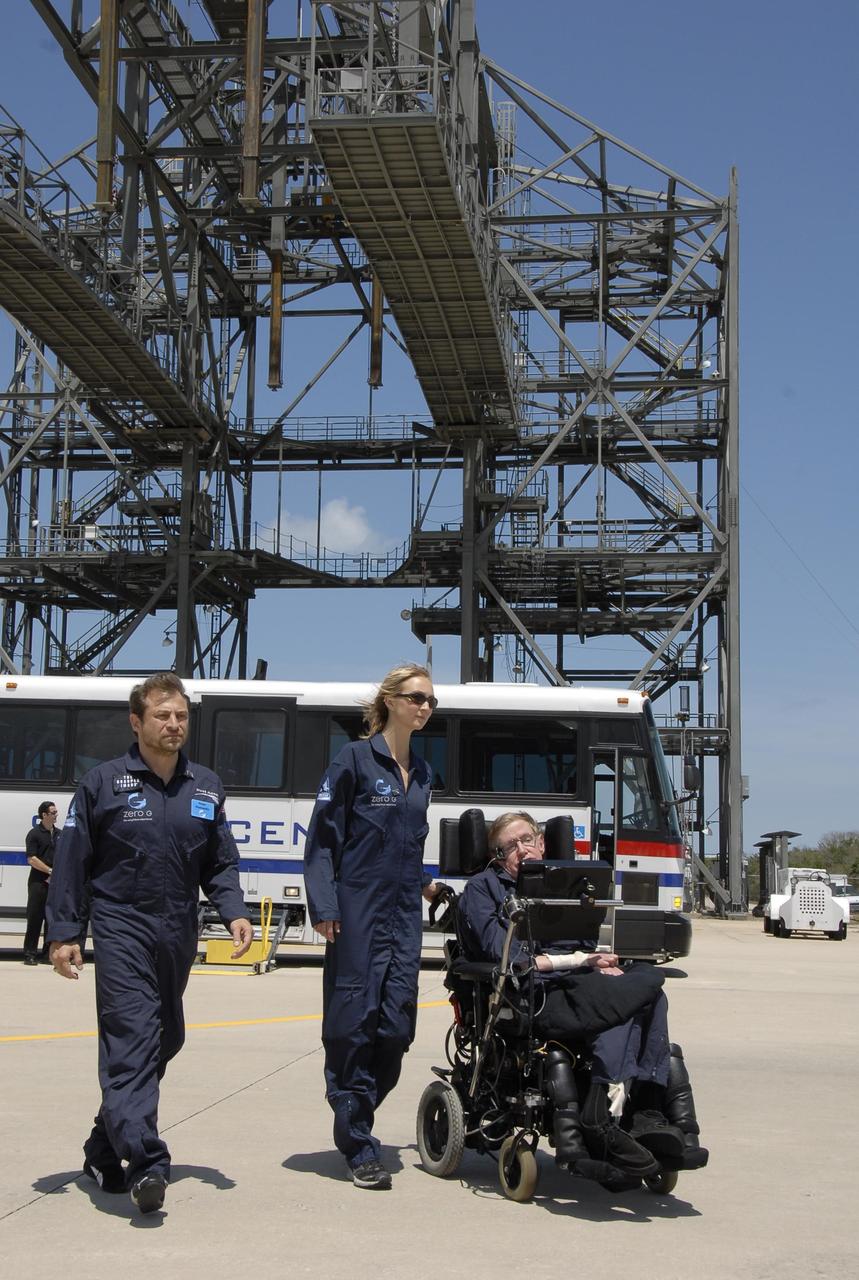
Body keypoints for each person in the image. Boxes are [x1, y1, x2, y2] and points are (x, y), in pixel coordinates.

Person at [46, 672, 253, 1215]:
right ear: (136, 722)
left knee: (165, 1039)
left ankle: (101, 1146)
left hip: (177, 929)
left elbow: (220, 862)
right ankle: (147, 1164)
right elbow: (72, 862)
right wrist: (66, 931)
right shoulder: (103, 785)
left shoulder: (205, 786)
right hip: (121, 926)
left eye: (181, 715)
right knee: (132, 1039)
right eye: (162, 715)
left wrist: (233, 911)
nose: (173, 724)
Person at [459, 811, 708, 1185]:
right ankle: (601, 1115)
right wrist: (576, 960)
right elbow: (505, 954)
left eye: (527, 839)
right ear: (497, 857)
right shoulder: (483, 889)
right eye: (509, 847)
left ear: (542, 842)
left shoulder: (567, 882)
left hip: (581, 980)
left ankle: (650, 1116)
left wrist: (600, 962)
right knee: (633, 998)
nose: (522, 850)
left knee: (649, 983)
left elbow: (585, 940)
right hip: (535, 993)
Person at [304, 663, 442, 1190]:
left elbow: (404, 846)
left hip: (404, 916)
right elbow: (323, 841)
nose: (425, 707)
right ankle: (358, 1140)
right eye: (416, 698)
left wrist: (427, 884)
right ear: (390, 700)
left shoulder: (424, 773)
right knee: (352, 1023)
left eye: (431, 700)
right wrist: (324, 906)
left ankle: (354, 1111)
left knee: (396, 1027)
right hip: (357, 913)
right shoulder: (354, 761)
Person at [23, 800, 59, 964]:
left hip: (55, 883)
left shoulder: (60, 834)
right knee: (35, 918)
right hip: (38, 882)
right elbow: (32, 859)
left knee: (51, 919)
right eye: (53, 812)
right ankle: (30, 954)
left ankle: (47, 953)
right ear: (44, 815)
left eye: (56, 812)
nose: (56, 814)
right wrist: (50, 871)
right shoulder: (34, 834)